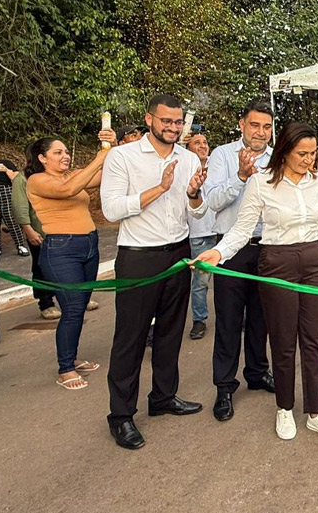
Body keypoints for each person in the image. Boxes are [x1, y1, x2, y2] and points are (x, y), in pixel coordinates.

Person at [195, 123, 318, 442]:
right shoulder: (261, 183)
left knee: (313, 338)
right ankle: (285, 408)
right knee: (283, 340)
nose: (309, 160)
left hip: (316, 261)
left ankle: (317, 413)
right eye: (302, 154)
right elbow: (242, 229)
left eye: (312, 153)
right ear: (284, 152)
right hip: (277, 263)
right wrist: (218, 253)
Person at [100, 94, 209, 450]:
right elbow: (111, 210)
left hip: (177, 254)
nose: (173, 128)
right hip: (138, 258)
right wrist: (159, 189)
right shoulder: (123, 156)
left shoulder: (189, 157)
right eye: (166, 121)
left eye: (178, 123)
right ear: (150, 119)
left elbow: (196, 213)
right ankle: (121, 415)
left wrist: (193, 194)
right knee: (130, 340)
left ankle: (163, 397)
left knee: (169, 333)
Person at [202, 99, 277, 421]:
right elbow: (213, 202)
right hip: (231, 249)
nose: (261, 132)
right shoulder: (221, 155)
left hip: (270, 247)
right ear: (241, 125)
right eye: (255, 125)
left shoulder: (279, 157)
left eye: (267, 126)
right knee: (230, 320)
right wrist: (242, 177)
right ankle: (225, 387)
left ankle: (258, 373)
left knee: (263, 317)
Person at [25, 129, 116, 390]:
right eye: (58, 152)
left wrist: (112, 147)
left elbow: (104, 176)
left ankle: (72, 357)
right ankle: (65, 368)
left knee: (80, 303)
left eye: (66, 151)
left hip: (89, 245)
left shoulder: (72, 175)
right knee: (74, 308)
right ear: (42, 158)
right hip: (61, 249)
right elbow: (68, 189)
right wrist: (98, 158)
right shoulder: (37, 181)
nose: (65, 156)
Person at [11, 168, 61, 320]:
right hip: (40, 232)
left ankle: (77, 298)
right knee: (41, 268)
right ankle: (46, 303)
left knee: (70, 267)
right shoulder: (22, 179)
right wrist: (28, 229)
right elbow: (20, 206)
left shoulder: (57, 174)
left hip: (62, 230)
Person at [185, 133, 217, 341]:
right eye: (197, 143)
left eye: (205, 142)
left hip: (222, 232)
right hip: (199, 234)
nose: (202, 145)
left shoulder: (218, 165)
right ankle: (199, 320)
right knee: (200, 282)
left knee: (230, 281)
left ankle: (238, 316)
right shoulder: (184, 168)